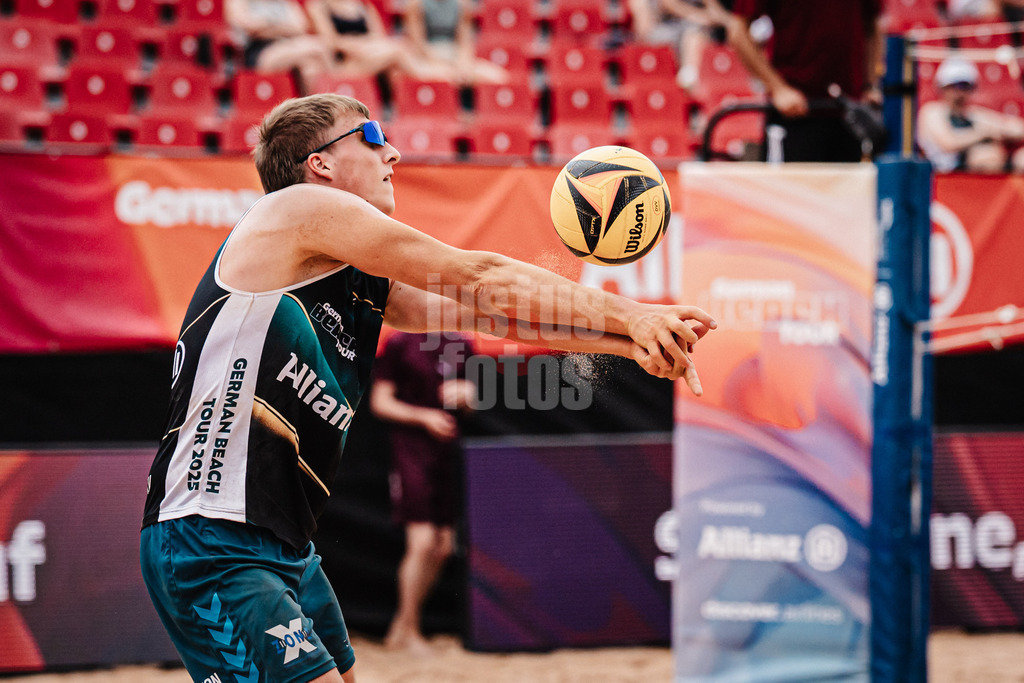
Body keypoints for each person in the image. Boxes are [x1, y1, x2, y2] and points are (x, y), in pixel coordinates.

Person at [139, 92, 715, 683]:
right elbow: (481, 278)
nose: (391, 151)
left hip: (283, 544)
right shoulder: (297, 209)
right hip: (210, 532)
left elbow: (495, 316)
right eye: (369, 137)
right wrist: (634, 314)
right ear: (320, 163)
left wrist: (629, 343)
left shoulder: (349, 273)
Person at [370, 331, 476, 654]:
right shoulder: (400, 343)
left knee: (443, 546)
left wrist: (468, 395)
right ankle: (409, 629)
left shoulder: (463, 343)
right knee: (423, 541)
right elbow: (380, 402)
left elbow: (470, 404)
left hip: (446, 450)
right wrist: (423, 416)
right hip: (410, 450)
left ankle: (401, 628)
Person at [725, 0, 884, 162]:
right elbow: (738, 30)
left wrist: (870, 84)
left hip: (851, 116)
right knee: (788, 187)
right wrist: (777, 88)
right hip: (795, 115)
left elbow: (873, 25)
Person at [917, 56, 1024, 173]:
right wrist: (985, 133)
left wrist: (1001, 131)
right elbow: (948, 143)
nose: (959, 93)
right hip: (942, 177)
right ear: (942, 87)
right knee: (986, 156)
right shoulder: (932, 111)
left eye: (965, 86)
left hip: (972, 175)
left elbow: (1016, 128)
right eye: (954, 86)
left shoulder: (973, 114)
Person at [305, 0, 456, 82]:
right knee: (397, 52)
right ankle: (438, 76)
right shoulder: (318, 6)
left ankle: (406, 106)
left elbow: (378, 36)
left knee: (396, 62)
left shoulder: (362, 6)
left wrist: (365, 46)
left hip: (370, 57)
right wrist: (360, 47)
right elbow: (331, 41)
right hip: (344, 63)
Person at [226, 0, 334, 95]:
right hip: (258, 54)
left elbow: (301, 27)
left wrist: (267, 27)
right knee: (317, 47)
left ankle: (314, 111)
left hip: (288, 48)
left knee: (310, 68)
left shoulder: (285, 2)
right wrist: (284, 28)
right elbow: (248, 26)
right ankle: (336, 89)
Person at [626, 0, 733, 91]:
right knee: (692, 34)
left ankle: (688, 79)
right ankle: (685, 82)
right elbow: (668, 5)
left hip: (693, 29)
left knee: (695, 36)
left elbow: (717, 13)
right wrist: (697, 16)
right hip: (666, 28)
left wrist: (726, 21)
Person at [402, 0, 509, 86]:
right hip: (426, 60)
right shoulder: (416, 4)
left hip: (453, 57)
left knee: (499, 76)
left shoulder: (462, 4)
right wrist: (441, 65)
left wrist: (463, 65)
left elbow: (464, 43)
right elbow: (418, 44)